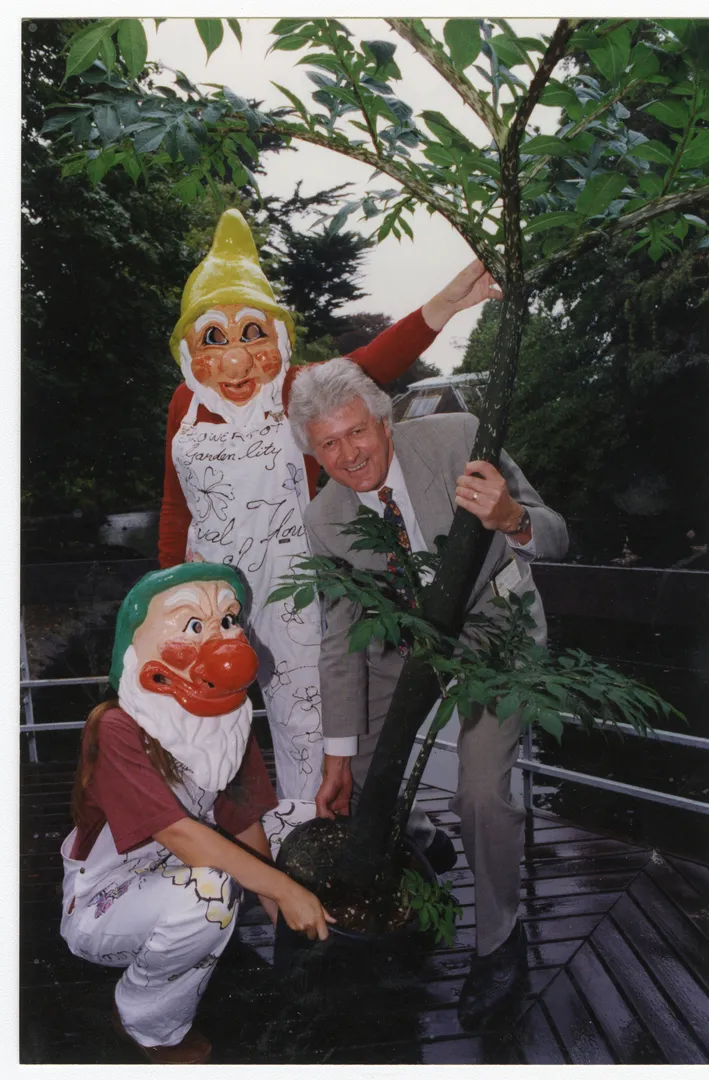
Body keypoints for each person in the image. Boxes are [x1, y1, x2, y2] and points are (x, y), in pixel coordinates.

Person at [158, 207, 502, 849]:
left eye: (251, 333)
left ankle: (322, 849)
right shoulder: (186, 404)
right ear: (189, 347)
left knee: (310, 732)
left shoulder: (296, 387)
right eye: (214, 339)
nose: (235, 360)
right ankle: (218, 863)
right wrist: (164, 595)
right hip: (209, 601)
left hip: (296, 598)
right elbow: (177, 506)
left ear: (279, 337)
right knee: (206, 733)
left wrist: (448, 304)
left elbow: (373, 364)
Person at [288, 358, 569, 1030]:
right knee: (357, 767)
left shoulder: (458, 438)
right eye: (328, 444)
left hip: (495, 627)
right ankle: (425, 841)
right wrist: (333, 758)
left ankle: (499, 941)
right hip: (411, 637)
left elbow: (556, 535)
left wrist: (511, 518)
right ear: (312, 453)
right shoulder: (325, 518)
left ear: (382, 420)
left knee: (479, 790)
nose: (349, 455)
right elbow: (340, 637)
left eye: (356, 432)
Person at [60, 564, 334, 1064]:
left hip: (176, 865)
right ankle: (145, 1017)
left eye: (228, 621)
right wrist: (282, 889)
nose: (222, 641)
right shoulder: (116, 728)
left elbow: (244, 818)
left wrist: (276, 910)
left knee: (300, 821)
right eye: (192, 625)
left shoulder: (226, 721)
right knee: (209, 888)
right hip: (105, 902)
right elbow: (181, 835)